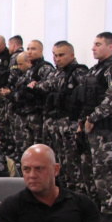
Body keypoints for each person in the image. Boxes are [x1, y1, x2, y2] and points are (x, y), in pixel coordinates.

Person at [79, 32, 112, 222]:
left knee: (103, 169)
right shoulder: (95, 71)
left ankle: (107, 211)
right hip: (89, 127)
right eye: (94, 44)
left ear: (110, 47)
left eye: (98, 44)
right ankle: (94, 206)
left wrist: (93, 118)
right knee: (88, 168)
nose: (93, 47)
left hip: (103, 128)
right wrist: (84, 121)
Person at [38, 41, 89, 193]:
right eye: (54, 55)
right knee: (60, 161)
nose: (57, 58)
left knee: (73, 163)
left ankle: (76, 194)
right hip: (56, 122)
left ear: (72, 55)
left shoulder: (79, 73)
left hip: (71, 123)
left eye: (61, 55)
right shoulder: (57, 72)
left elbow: (85, 100)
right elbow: (45, 88)